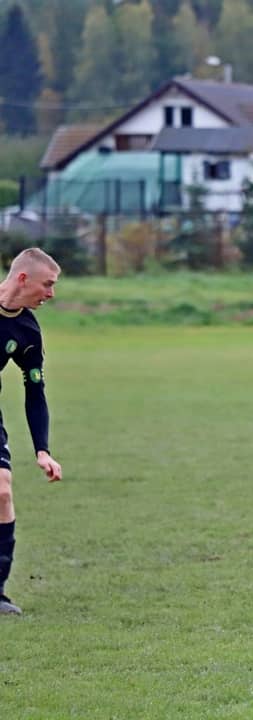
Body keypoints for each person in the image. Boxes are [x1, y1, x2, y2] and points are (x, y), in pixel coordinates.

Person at [0, 249, 64, 615]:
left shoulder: (26, 330)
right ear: (23, 278)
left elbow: (35, 392)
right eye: (48, 284)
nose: (51, 294)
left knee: (2, 491)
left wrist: (42, 449)